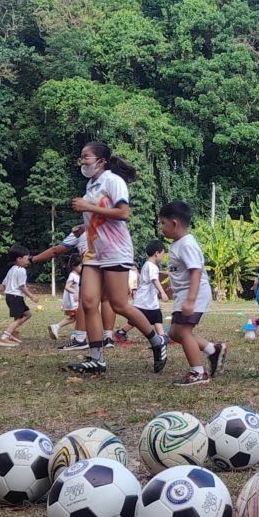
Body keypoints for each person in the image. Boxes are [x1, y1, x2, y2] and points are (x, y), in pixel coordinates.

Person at [65, 142, 168, 376]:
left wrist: (85, 206)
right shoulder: (90, 185)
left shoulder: (113, 181)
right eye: (81, 157)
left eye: (86, 157)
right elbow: (100, 217)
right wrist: (84, 225)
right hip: (94, 253)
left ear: (100, 161)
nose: (82, 162)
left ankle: (156, 340)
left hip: (116, 251)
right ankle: (96, 359)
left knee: (119, 304)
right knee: (89, 302)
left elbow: (123, 213)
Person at [159, 200, 227, 386]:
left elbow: (195, 271)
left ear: (174, 223)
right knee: (174, 333)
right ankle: (213, 349)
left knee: (185, 332)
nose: (161, 228)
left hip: (193, 294)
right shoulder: (178, 243)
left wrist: (190, 300)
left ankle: (198, 372)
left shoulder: (187, 244)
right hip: (184, 295)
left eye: (163, 223)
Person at [115, 240, 169, 344]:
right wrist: (162, 292)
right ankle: (121, 332)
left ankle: (162, 336)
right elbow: (154, 279)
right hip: (145, 300)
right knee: (140, 319)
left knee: (155, 317)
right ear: (157, 253)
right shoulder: (152, 266)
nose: (162, 258)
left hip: (147, 299)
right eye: (162, 254)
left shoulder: (147, 265)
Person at [0, 245, 38, 348]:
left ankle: (13, 333)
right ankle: (5, 337)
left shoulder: (12, 269)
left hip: (10, 296)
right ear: (19, 259)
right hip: (16, 297)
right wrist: (32, 296)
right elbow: (22, 286)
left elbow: (4, 283)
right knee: (19, 318)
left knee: (27, 314)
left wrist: (8, 292)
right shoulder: (21, 270)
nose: (28, 260)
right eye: (27, 258)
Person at [49, 256, 82, 340]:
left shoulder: (77, 275)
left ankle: (58, 327)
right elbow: (67, 286)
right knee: (79, 317)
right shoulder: (73, 275)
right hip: (73, 301)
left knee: (74, 318)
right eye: (81, 266)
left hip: (75, 301)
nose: (82, 268)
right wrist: (75, 292)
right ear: (74, 266)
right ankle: (76, 333)